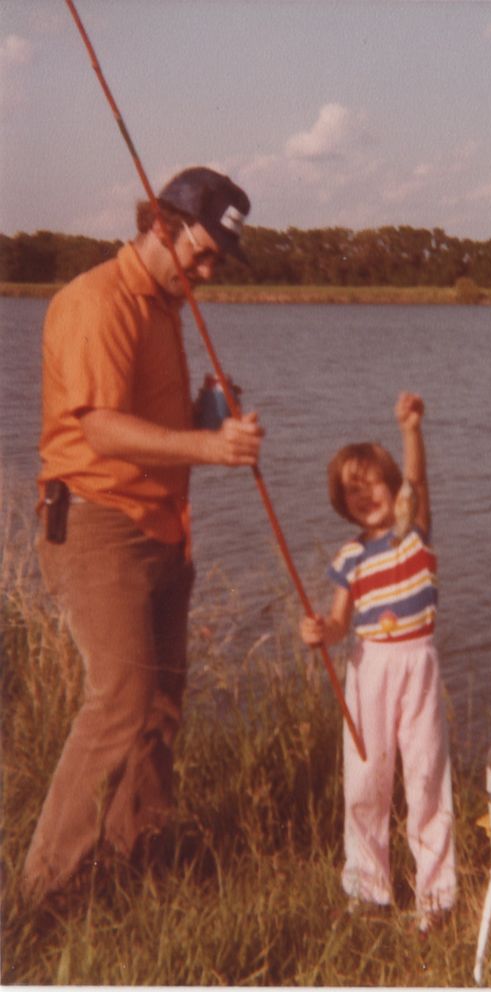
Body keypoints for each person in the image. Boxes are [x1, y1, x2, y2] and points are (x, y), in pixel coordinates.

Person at [23, 166, 265, 905]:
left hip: (161, 527)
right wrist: (210, 449)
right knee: (123, 701)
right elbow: (98, 428)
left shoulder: (167, 305)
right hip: (99, 525)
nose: (209, 266)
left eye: (220, 257)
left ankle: (138, 859)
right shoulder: (95, 301)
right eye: (204, 248)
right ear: (163, 224)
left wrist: (202, 417)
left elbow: (146, 425)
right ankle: (42, 892)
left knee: (161, 706)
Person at [300, 392, 456, 932]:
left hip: (417, 666)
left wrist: (411, 429)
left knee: (426, 778)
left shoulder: (413, 533)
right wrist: (322, 630)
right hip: (368, 669)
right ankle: (368, 889)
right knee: (366, 780)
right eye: (351, 490)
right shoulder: (349, 557)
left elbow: (418, 481)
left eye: (372, 482)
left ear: (393, 486)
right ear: (342, 504)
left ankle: (435, 900)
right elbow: (342, 622)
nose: (364, 494)